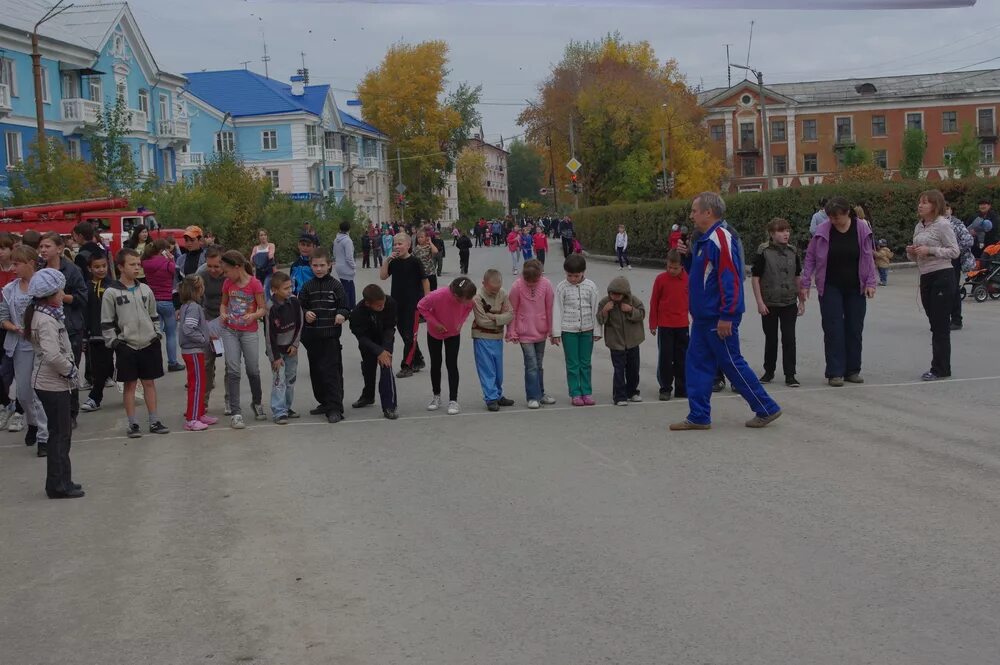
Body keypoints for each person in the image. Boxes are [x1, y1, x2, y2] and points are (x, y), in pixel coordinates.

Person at [670, 192, 782, 431]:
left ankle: (766, 407)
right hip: (703, 317)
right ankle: (698, 415)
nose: (691, 215)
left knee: (731, 363)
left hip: (717, 315)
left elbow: (730, 278)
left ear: (708, 212)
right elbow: (700, 275)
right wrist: (687, 257)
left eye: (694, 210)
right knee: (697, 364)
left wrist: (727, 315)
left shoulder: (721, 238)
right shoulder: (704, 239)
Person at [800, 196, 878, 387]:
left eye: (837, 217)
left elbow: (868, 256)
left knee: (854, 328)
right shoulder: (822, 230)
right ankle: (835, 372)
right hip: (830, 285)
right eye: (831, 217)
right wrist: (804, 282)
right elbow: (810, 257)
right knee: (833, 328)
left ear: (847, 213)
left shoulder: (861, 228)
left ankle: (852, 370)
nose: (834, 221)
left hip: (855, 285)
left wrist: (871, 282)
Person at [25, 268, 83, 498]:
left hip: (52, 382)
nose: (62, 294)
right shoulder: (47, 320)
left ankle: (63, 480)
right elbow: (52, 355)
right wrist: (70, 371)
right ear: (50, 294)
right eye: (60, 291)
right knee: (60, 434)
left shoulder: (45, 314)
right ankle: (58, 485)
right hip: (52, 383)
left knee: (62, 433)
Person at [102, 248, 169, 438]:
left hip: (149, 343)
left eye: (139, 264)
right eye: (132, 264)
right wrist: (115, 343)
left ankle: (154, 420)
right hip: (127, 346)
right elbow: (106, 322)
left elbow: (154, 315)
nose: (137, 268)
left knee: (149, 383)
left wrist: (156, 334)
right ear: (121, 267)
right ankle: (133, 424)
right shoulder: (111, 293)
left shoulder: (145, 289)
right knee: (130, 385)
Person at [907, 190, 960, 381]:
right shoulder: (919, 226)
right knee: (934, 323)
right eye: (920, 202)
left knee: (940, 325)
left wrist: (930, 250)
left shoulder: (943, 225)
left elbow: (954, 251)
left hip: (942, 275)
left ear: (935, 206)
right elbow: (915, 255)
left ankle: (940, 368)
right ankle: (940, 365)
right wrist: (912, 252)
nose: (920, 206)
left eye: (925, 203)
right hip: (926, 275)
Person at [0, 246, 48, 450]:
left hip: (44, 344)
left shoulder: (45, 284)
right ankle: (32, 423)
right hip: (20, 345)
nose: (13, 268)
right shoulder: (10, 289)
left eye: (16, 264)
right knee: (23, 393)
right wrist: (15, 328)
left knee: (40, 392)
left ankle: (44, 436)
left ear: (30, 263)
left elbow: (57, 309)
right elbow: (2, 318)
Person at [38, 233, 88, 425]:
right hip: (46, 327)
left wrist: (60, 295)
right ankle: (53, 413)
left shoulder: (72, 270)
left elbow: (82, 298)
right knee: (51, 372)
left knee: (70, 369)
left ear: (59, 248)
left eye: (47, 246)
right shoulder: (39, 270)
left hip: (70, 326)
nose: (43, 250)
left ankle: (71, 412)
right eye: (41, 246)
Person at [299, 247, 350, 424]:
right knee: (317, 372)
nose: (318, 269)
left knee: (331, 373)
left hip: (330, 337)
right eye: (315, 265)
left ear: (330, 265)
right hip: (313, 337)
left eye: (322, 265)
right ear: (310, 266)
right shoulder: (307, 287)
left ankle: (335, 407)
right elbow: (300, 307)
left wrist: (342, 314)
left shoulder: (336, 286)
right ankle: (323, 402)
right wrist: (305, 312)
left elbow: (345, 306)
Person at [751, 218, 804, 387]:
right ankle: (769, 371)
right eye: (781, 231)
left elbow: (797, 276)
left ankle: (790, 374)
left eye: (787, 230)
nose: (785, 234)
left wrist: (801, 300)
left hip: (789, 301)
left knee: (789, 338)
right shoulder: (764, 251)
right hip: (770, 302)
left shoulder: (792, 251)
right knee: (771, 338)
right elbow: (756, 277)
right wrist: (759, 302)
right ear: (772, 234)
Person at [219, 250, 266, 428]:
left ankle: (257, 402)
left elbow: (262, 308)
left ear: (237, 267)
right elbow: (223, 303)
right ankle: (236, 412)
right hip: (230, 330)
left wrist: (253, 315)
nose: (225, 275)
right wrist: (223, 313)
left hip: (249, 331)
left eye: (226, 271)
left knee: (253, 369)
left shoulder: (255, 284)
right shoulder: (227, 283)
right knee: (233, 370)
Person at [417, 277, 477, 415]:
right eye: (467, 299)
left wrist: (461, 322)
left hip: (453, 333)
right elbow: (421, 306)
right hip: (435, 332)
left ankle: (453, 400)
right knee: (436, 363)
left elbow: (469, 307)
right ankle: (436, 396)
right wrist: (434, 323)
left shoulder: (468, 299)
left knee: (452, 364)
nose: (470, 301)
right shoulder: (437, 295)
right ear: (456, 295)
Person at [552, 253, 600, 406]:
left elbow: (595, 309)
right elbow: (557, 310)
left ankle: (586, 391)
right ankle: (575, 392)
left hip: (587, 329)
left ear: (583, 272)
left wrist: (597, 331)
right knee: (573, 363)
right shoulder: (561, 287)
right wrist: (556, 332)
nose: (572, 279)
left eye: (576, 276)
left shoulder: (591, 286)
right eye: (569, 275)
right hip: (568, 330)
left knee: (585, 363)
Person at [506, 259, 556, 409]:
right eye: (529, 280)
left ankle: (541, 393)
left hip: (541, 329)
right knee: (531, 365)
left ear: (540, 275)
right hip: (524, 331)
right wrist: (511, 330)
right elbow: (512, 310)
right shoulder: (517, 286)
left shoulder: (547, 284)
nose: (532, 283)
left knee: (539, 365)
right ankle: (532, 397)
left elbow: (550, 309)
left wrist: (553, 331)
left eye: (535, 280)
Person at [380, 233, 429, 378]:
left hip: (413, 305)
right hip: (396, 303)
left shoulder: (415, 261)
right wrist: (387, 260)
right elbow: (383, 276)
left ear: (408, 245)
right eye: (395, 244)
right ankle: (418, 360)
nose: (397, 246)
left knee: (409, 335)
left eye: (400, 244)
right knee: (404, 333)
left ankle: (406, 365)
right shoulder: (394, 262)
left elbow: (425, 281)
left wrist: (428, 300)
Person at [349, 284, 399, 420]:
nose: (382, 307)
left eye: (383, 304)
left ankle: (389, 406)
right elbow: (361, 337)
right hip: (368, 341)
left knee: (386, 366)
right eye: (378, 306)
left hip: (385, 338)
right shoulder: (357, 313)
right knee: (368, 367)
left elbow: (390, 327)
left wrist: (385, 350)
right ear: (367, 303)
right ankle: (368, 396)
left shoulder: (390, 303)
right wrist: (377, 350)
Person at [177, 275, 218, 432]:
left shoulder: (187, 306)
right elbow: (189, 329)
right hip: (193, 351)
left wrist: (206, 332)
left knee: (199, 384)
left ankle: (198, 413)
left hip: (191, 351)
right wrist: (203, 339)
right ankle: (192, 418)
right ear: (197, 289)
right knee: (197, 384)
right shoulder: (194, 307)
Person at [597, 276, 645, 406]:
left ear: (625, 294)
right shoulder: (605, 302)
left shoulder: (633, 301)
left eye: (618, 294)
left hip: (633, 341)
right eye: (612, 294)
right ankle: (619, 396)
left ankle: (633, 392)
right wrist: (605, 311)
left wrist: (630, 310)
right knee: (618, 369)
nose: (614, 297)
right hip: (616, 343)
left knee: (633, 369)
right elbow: (600, 320)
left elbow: (642, 314)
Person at [472, 269, 515, 412]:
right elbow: (482, 321)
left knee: (498, 370)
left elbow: (510, 314)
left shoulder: (502, 293)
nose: (495, 293)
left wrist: (495, 317)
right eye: (492, 291)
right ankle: (490, 398)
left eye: (497, 290)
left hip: (497, 336)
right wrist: (501, 318)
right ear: (484, 283)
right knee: (487, 368)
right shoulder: (477, 297)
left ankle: (498, 394)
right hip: (482, 336)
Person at [649, 249, 689, 401]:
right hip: (665, 325)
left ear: (681, 266)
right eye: (669, 267)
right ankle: (665, 387)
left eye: (675, 268)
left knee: (682, 358)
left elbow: (692, 301)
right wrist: (653, 323)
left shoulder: (687, 279)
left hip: (682, 324)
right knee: (665, 358)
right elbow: (654, 301)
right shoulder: (660, 279)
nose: (672, 270)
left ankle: (681, 387)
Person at [265, 272, 303, 425]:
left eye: (290, 287)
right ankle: (279, 411)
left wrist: (295, 344)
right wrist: (275, 357)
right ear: (274, 289)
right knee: (279, 381)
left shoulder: (294, 302)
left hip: (291, 349)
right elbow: (269, 336)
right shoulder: (270, 308)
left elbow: (300, 324)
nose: (289, 291)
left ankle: (287, 407)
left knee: (290, 379)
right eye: (286, 288)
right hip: (278, 352)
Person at [141, 239, 184, 373]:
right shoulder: (167, 264)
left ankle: (155, 362)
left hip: (152, 301)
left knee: (155, 334)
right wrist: (171, 260)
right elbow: (177, 274)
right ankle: (172, 362)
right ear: (162, 251)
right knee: (171, 334)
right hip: (167, 300)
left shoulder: (145, 263)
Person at [80, 251, 114, 413]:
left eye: (103, 266)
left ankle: (134, 392)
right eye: (96, 267)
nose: (101, 270)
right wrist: (84, 335)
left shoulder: (113, 285)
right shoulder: (85, 288)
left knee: (121, 366)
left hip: (116, 333)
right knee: (100, 368)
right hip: (95, 334)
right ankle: (95, 397)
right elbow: (84, 312)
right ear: (89, 268)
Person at [196, 245, 227, 414]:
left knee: (231, 363)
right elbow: (195, 299)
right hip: (209, 320)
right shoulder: (202, 275)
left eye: (217, 266)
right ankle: (204, 400)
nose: (213, 270)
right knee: (207, 362)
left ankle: (230, 400)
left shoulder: (231, 275)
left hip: (228, 320)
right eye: (210, 266)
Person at [945, 204, 974, 331]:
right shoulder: (932, 223)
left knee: (953, 289)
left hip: (952, 260)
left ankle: (956, 319)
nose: (945, 211)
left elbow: (968, 240)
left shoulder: (956, 223)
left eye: (947, 208)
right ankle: (943, 318)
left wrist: (954, 250)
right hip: (937, 260)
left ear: (951, 210)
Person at [332, 221, 358, 309]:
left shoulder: (336, 239)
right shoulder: (347, 240)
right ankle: (348, 306)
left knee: (346, 286)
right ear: (349, 229)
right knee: (348, 288)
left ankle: (350, 305)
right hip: (346, 267)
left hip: (339, 266)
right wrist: (354, 266)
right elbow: (349, 257)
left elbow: (334, 253)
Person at [250, 229, 276, 303]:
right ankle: (270, 304)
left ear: (267, 236)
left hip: (269, 271)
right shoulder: (256, 248)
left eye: (265, 235)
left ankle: (267, 309)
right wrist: (255, 258)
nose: (263, 236)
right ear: (258, 237)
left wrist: (264, 257)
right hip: (259, 272)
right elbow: (251, 259)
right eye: (261, 235)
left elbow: (271, 254)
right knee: (260, 290)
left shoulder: (271, 245)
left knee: (265, 288)